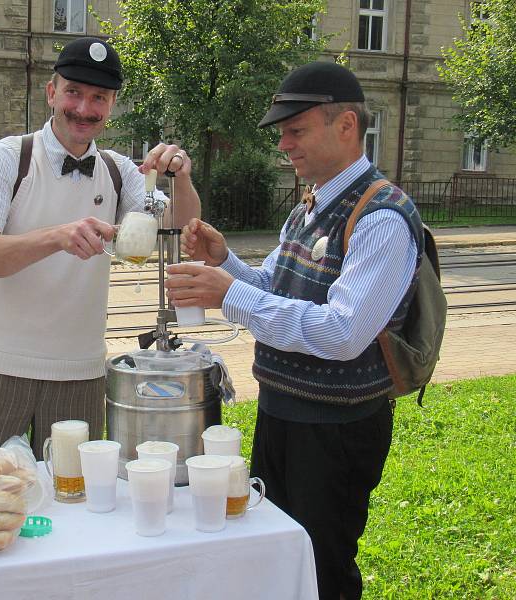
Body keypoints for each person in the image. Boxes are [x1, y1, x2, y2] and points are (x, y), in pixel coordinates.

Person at [165, 61, 424, 599]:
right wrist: (228, 262)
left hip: (335, 429)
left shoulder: (381, 216)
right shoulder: (311, 204)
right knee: (276, 557)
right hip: (283, 411)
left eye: (296, 130)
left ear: (346, 126)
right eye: (282, 133)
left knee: (321, 565)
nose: (284, 145)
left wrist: (227, 293)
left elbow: (342, 333)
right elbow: (282, 289)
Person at [0, 36, 201, 458]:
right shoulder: (8, 158)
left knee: (74, 500)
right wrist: (57, 236)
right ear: (51, 93)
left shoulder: (119, 172)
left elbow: (178, 225)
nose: (84, 109)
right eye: (74, 93)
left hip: (79, 375)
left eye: (98, 97)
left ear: (111, 104)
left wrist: (183, 178)